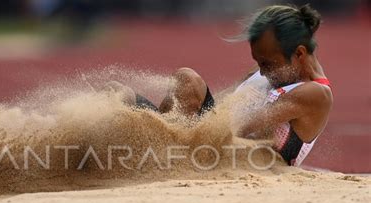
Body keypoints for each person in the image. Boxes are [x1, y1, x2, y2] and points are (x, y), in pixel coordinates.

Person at [105, 4, 333, 167]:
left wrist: (150, 121)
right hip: (207, 144)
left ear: (300, 53)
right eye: (258, 62)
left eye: (267, 64)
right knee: (185, 80)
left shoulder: (316, 94)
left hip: (236, 158)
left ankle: (153, 151)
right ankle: (150, 147)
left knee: (129, 104)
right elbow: (222, 105)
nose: (262, 71)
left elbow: (241, 127)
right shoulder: (272, 73)